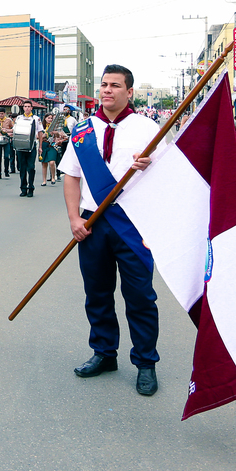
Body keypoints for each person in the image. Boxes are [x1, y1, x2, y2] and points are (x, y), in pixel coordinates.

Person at [58, 64, 158, 397]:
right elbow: (71, 176)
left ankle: (145, 362)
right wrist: (74, 219)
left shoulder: (149, 129)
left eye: (115, 85)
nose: (107, 90)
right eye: (104, 84)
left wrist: (150, 165)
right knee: (97, 293)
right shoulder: (82, 130)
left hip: (134, 224)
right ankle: (104, 353)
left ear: (129, 92)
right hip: (92, 224)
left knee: (140, 297)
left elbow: (168, 178)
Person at [13, 101, 41, 197]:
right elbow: (15, 130)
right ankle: (23, 188)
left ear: (31, 108)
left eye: (29, 106)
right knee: (22, 168)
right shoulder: (19, 118)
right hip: (20, 147)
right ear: (23, 108)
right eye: (25, 106)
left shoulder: (36, 119)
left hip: (31, 146)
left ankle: (31, 188)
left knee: (31, 168)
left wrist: (40, 146)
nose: (27, 108)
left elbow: (40, 132)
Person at [39, 113, 62, 186]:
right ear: (45, 118)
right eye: (48, 118)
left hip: (52, 145)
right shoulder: (41, 127)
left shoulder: (54, 127)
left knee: (52, 162)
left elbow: (59, 136)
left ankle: (53, 177)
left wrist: (56, 133)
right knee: (44, 163)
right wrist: (42, 136)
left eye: (51, 118)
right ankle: (44, 180)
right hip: (43, 145)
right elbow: (37, 136)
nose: (50, 119)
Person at [0, 108, 13, 179]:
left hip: (6, 140)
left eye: (2, 113)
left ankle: (6, 170)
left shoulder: (8, 120)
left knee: (6, 156)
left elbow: (13, 129)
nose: (1, 115)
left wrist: (8, 132)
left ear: (4, 113)